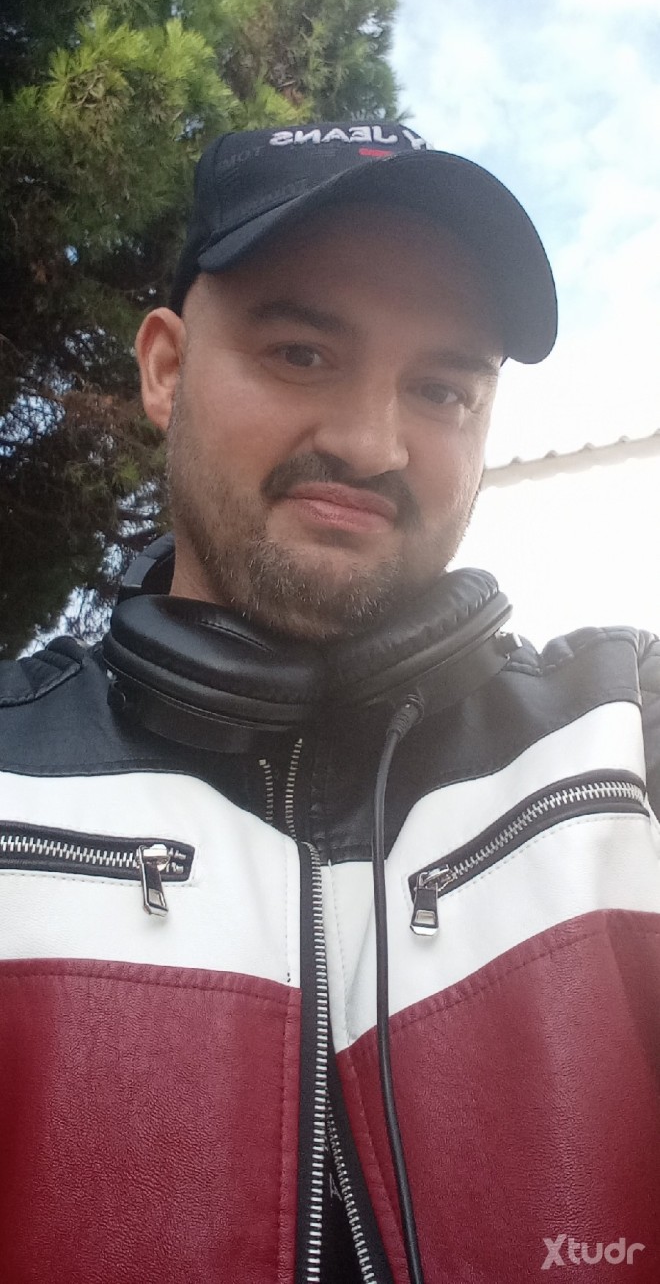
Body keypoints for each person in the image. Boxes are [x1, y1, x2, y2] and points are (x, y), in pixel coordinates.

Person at [1, 121, 659, 1284]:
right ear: (165, 369)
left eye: (442, 387)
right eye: (302, 352)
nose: (369, 443)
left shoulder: (622, 747)